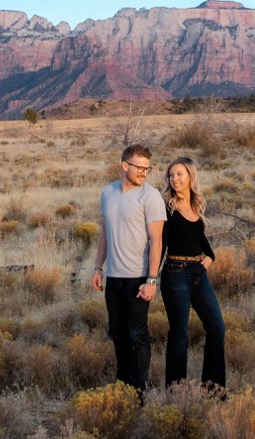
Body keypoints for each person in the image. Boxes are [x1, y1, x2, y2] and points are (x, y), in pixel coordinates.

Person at [92, 143, 167, 393]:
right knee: (117, 334)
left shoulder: (151, 196)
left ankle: (138, 390)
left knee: (137, 335)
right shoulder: (107, 193)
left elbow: (157, 241)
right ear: (124, 166)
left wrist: (152, 280)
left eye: (148, 168)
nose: (144, 173)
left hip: (138, 279)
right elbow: (105, 231)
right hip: (113, 277)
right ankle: (122, 386)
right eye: (139, 168)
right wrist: (97, 267)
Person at [159, 156, 227, 391]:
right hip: (175, 273)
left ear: (190, 176)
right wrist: (150, 278)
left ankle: (214, 390)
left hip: (198, 274)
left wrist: (210, 256)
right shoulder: (166, 206)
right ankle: (175, 392)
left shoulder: (195, 204)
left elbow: (198, 236)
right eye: (171, 175)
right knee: (180, 334)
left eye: (179, 174)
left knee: (217, 328)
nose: (175, 179)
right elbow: (160, 244)